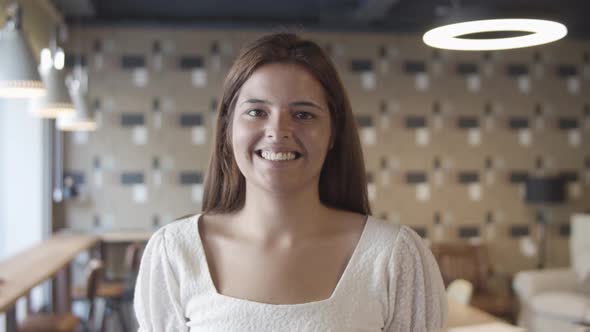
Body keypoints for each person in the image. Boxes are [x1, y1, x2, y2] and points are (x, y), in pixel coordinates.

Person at [134, 32, 447, 331]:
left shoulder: (395, 255)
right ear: (229, 128)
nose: (278, 131)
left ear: (333, 132)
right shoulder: (174, 251)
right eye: (257, 111)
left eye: (303, 115)